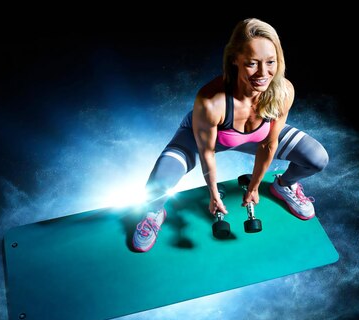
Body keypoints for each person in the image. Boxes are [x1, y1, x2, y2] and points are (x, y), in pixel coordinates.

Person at [133, 18, 329, 252]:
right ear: (235, 59)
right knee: (158, 182)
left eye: (270, 62)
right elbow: (207, 154)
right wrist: (214, 195)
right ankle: (155, 212)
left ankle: (284, 186)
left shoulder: (282, 91)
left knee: (317, 158)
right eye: (252, 63)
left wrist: (255, 186)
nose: (263, 73)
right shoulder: (211, 101)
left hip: (257, 138)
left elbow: (269, 144)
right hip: (208, 137)